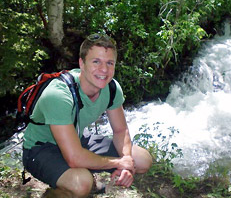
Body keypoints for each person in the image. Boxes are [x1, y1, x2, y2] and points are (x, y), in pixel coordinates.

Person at [22, 34, 152, 197]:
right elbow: (74, 158)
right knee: (81, 183)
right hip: (41, 148)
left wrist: (126, 161)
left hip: (76, 138)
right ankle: (56, 193)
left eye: (109, 63)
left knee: (141, 159)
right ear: (82, 63)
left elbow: (120, 130)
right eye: (96, 61)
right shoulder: (58, 94)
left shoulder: (111, 88)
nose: (104, 70)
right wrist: (119, 162)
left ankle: (79, 177)